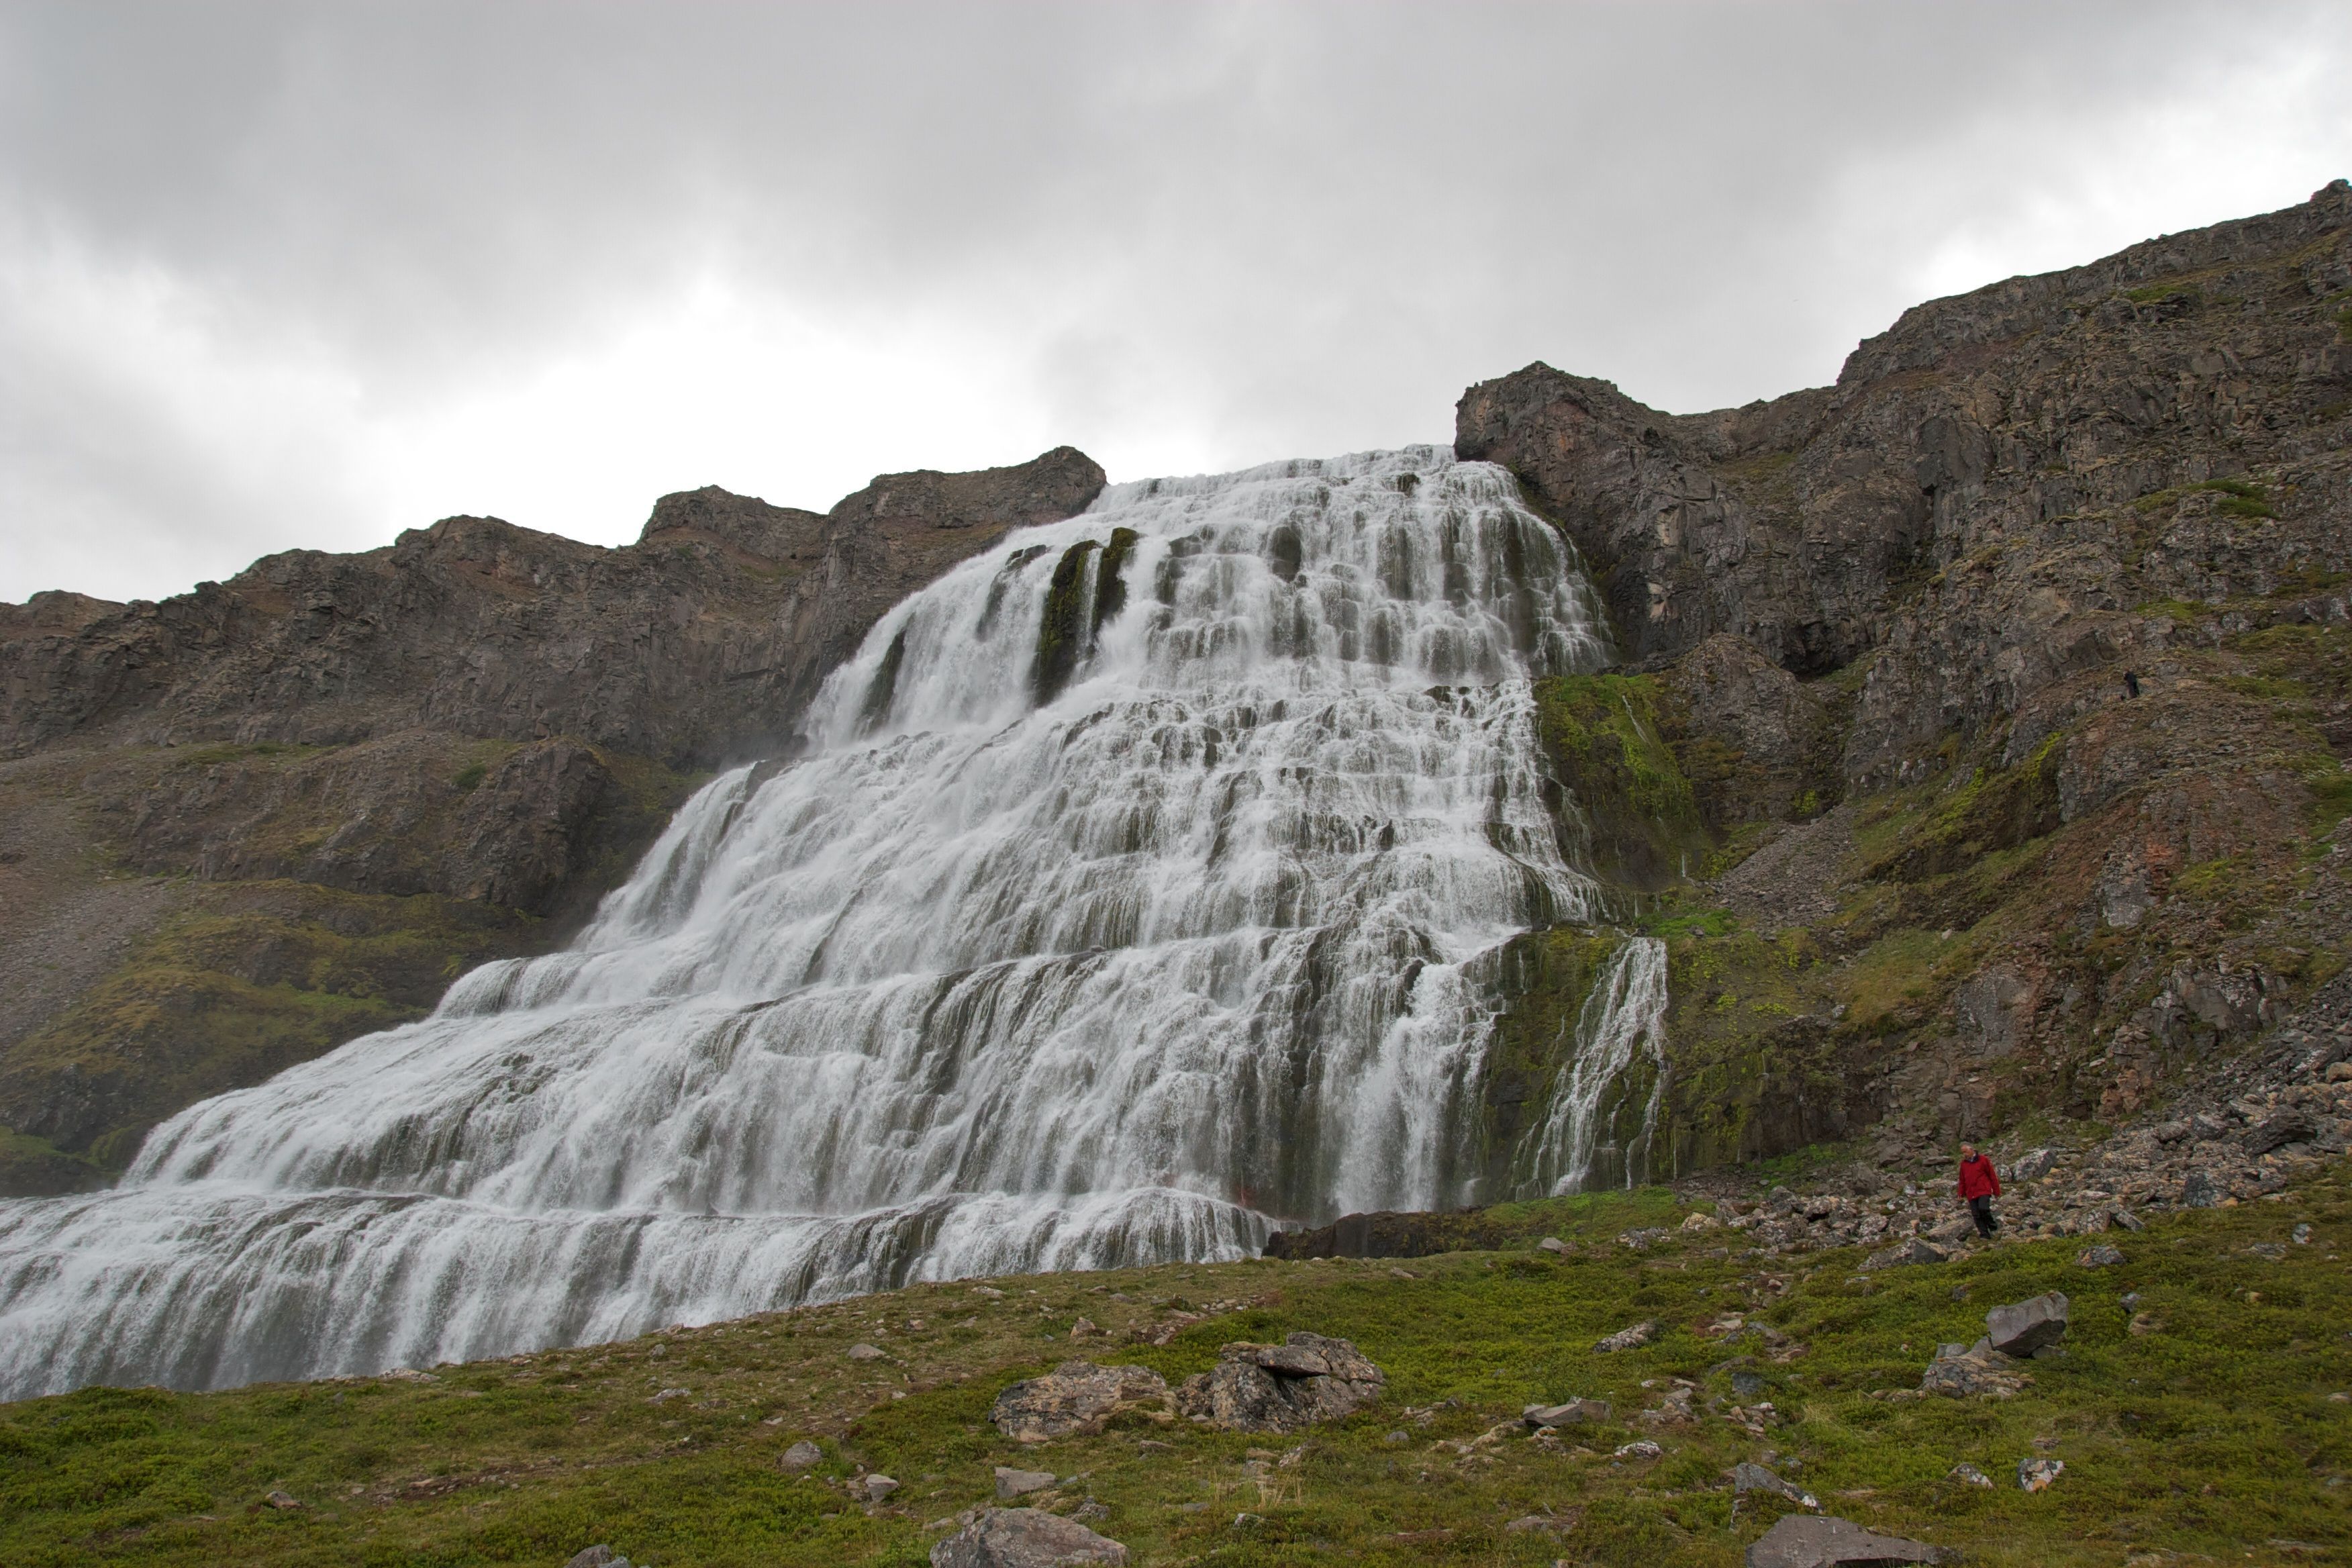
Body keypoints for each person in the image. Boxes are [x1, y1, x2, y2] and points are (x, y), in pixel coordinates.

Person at [1957, 1143, 2002, 1238]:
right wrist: (1961, 1193)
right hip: (1971, 1192)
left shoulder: (1983, 1160)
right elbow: (1962, 1180)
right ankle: (1984, 1234)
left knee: (1984, 1208)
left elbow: (1992, 1175)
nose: (1964, 1154)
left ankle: (1992, 1226)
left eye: (1966, 1151)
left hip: (1983, 1190)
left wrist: (1996, 1191)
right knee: (1976, 1215)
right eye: (1963, 1153)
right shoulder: (1964, 1164)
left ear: (1972, 1150)